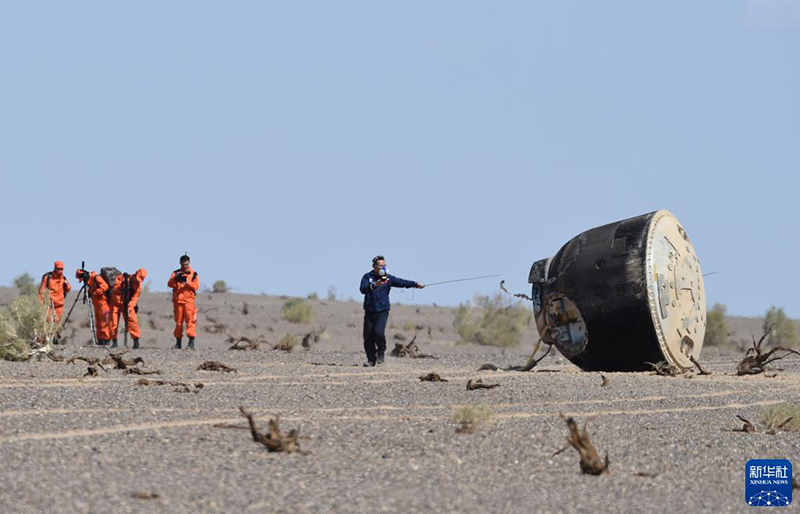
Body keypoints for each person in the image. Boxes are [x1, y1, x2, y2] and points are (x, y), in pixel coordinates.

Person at [359, 255, 423, 366]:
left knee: (378, 332)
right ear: (374, 266)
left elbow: (401, 282)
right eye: (380, 266)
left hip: (382, 311)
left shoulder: (387, 278)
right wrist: (374, 285)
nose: (382, 268)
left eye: (384, 265)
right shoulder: (367, 277)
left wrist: (415, 284)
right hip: (369, 311)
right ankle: (371, 360)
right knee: (368, 337)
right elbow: (362, 289)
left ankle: (381, 354)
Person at [168, 254, 199, 349]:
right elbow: (169, 284)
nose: (185, 266)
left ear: (189, 263)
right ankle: (178, 343)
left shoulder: (193, 274)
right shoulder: (175, 273)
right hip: (178, 302)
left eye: (186, 264)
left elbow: (196, 286)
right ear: (180, 263)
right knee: (178, 323)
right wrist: (175, 278)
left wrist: (187, 282)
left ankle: (191, 343)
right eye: (183, 264)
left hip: (189, 302)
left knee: (190, 321)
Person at [112, 268, 148, 349]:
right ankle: (114, 342)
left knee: (132, 321)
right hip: (117, 303)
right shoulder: (122, 279)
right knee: (114, 322)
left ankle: (136, 342)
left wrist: (129, 306)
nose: (137, 281)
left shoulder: (138, 285)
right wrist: (120, 302)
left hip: (128, 304)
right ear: (135, 274)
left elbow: (135, 298)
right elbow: (115, 292)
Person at [76, 268, 112, 346]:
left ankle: (106, 339)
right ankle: (100, 339)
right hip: (97, 305)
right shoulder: (91, 281)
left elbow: (105, 286)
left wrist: (95, 293)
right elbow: (92, 290)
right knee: (98, 323)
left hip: (103, 304)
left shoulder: (96, 278)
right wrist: (89, 293)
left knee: (104, 323)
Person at [38, 261, 72, 329]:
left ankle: (54, 335)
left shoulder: (63, 279)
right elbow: (41, 291)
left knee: (56, 324)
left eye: (61, 269)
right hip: (48, 305)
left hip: (59, 305)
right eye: (58, 268)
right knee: (48, 323)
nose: (60, 271)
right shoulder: (48, 277)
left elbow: (68, 289)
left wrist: (67, 284)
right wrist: (40, 303)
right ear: (55, 268)